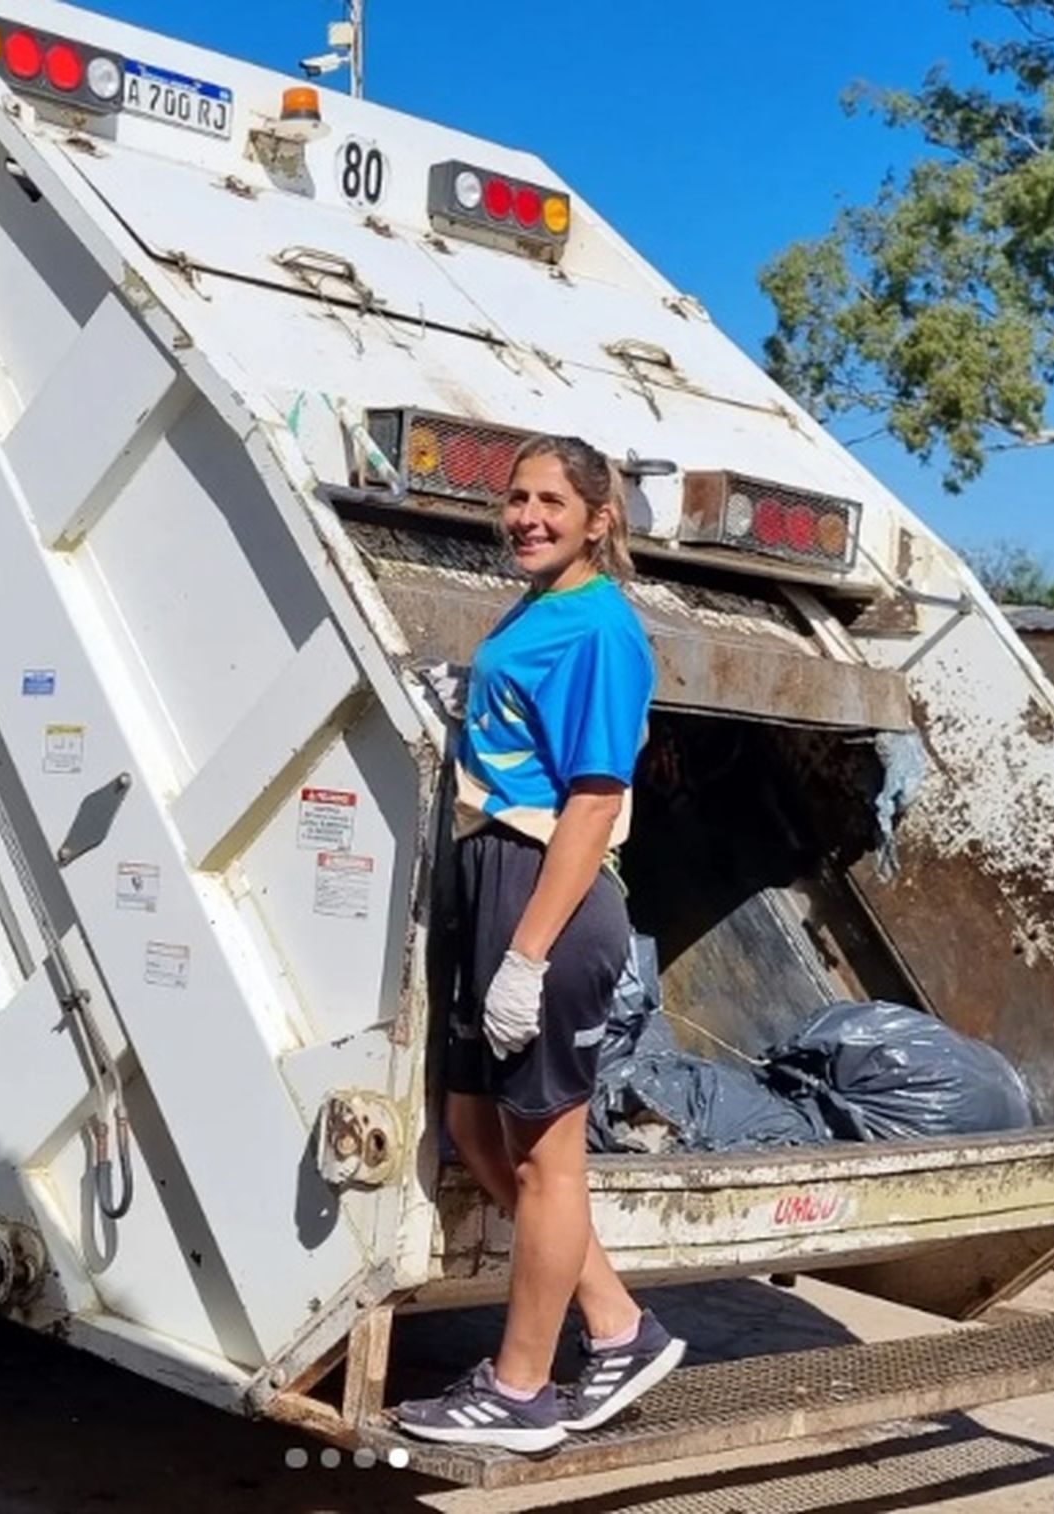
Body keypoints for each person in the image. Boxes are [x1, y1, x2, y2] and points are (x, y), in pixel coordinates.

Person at [398, 435, 685, 1454]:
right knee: (477, 1122)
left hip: (547, 893)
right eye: (515, 497)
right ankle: (617, 1324)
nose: (527, 514)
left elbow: (596, 797)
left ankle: (520, 1391)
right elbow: (521, 739)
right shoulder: (539, 609)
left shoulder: (602, 627)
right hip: (500, 876)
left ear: (600, 517)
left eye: (552, 499)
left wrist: (526, 954)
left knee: (548, 1155)